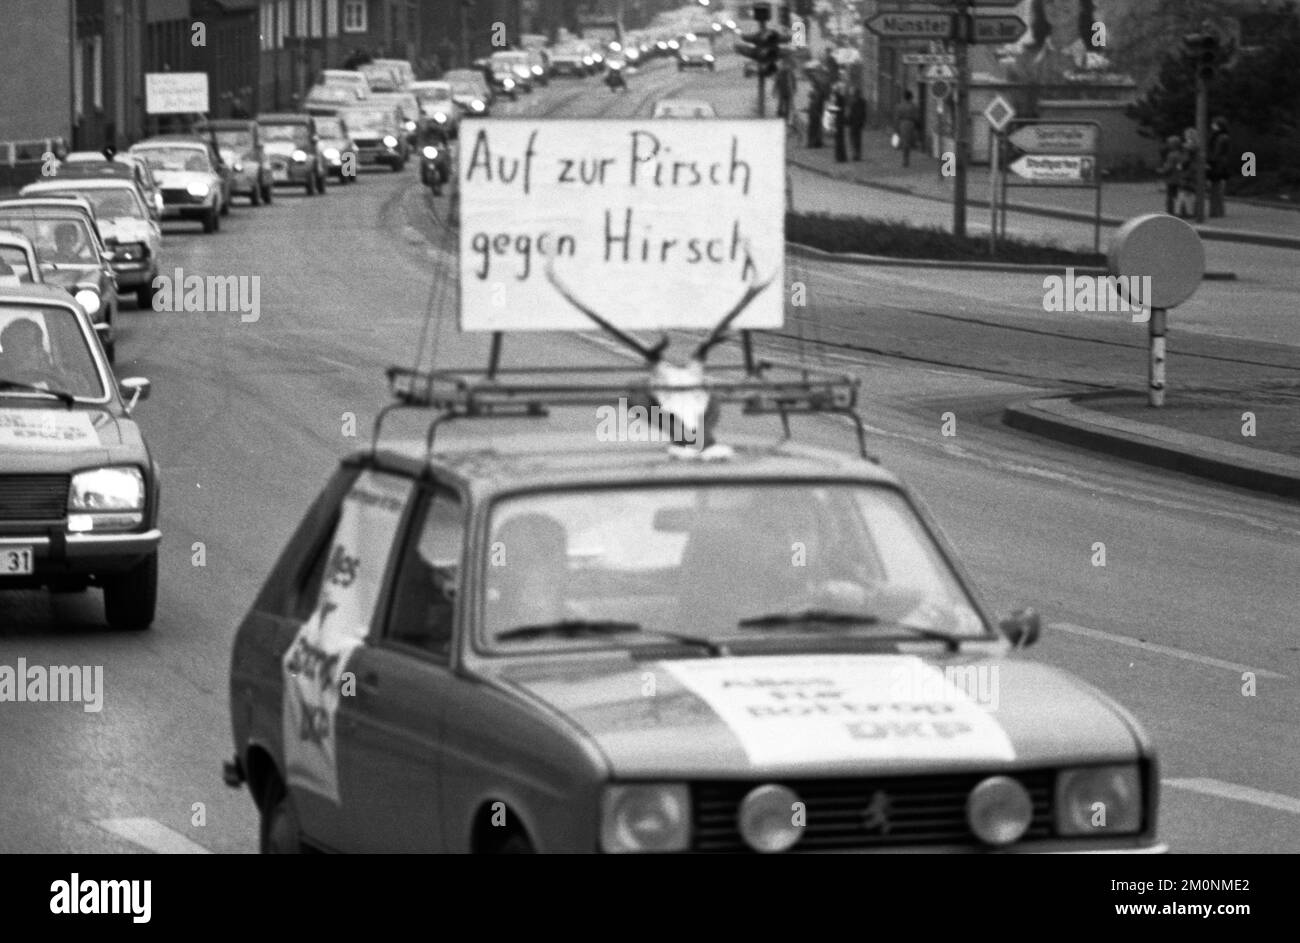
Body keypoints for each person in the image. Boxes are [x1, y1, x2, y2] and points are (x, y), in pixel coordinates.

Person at [486, 513, 569, 636]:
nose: (537, 572)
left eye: (547, 556)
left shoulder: (584, 628)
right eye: (520, 560)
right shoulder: (481, 626)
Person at [0, 318, 55, 387]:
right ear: (6, 350)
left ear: (40, 348)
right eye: (17, 343)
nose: (24, 350)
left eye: (29, 343)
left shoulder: (54, 381)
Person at [1207, 116, 1231, 218]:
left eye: (1214, 124)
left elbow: (1217, 152)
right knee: (1217, 188)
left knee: (1216, 188)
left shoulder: (1220, 137)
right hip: (1220, 164)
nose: (1212, 125)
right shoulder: (1222, 136)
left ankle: (1215, 211)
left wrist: (1209, 161)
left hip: (1217, 165)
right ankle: (1218, 211)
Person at [1157, 134, 1183, 215]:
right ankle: (1177, 211)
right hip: (1179, 177)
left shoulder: (1171, 155)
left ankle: (1170, 211)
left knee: (1170, 196)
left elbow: (1169, 167)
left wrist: (1161, 170)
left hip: (1171, 178)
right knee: (1176, 195)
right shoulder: (1180, 154)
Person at [1177, 126, 1199, 218]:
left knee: (1184, 191)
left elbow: (1186, 159)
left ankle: (1185, 212)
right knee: (1192, 191)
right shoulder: (1197, 145)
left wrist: (1180, 165)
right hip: (1194, 170)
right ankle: (1193, 211)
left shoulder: (1187, 146)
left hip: (1187, 170)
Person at [894, 90, 920, 168]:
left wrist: (896, 127)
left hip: (902, 123)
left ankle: (905, 159)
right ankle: (906, 159)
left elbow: (897, 117)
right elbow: (916, 117)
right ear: (911, 97)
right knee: (908, 142)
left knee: (905, 142)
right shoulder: (913, 106)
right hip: (911, 123)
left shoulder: (899, 106)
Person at [830, 82, 848, 162]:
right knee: (839, 139)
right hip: (839, 120)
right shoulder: (840, 97)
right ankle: (840, 156)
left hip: (838, 120)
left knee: (839, 139)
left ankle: (840, 157)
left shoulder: (837, 98)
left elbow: (835, 109)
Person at [847, 86, 867, 161]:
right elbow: (864, 113)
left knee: (853, 139)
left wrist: (848, 121)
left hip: (853, 123)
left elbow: (850, 113)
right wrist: (863, 121)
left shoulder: (852, 102)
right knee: (858, 139)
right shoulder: (863, 102)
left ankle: (855, 154)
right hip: (859, 123)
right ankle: (858, 154)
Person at [806, 83, 825, 149]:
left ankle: (812, 143)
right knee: (815, 129)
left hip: (814, 115)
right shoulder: (818, 94)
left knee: (813, 129)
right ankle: (815, 143)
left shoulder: (816, 97)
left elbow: (815, 106)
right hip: (816, 114)